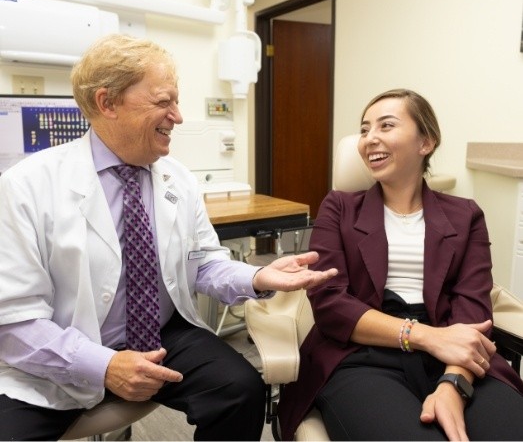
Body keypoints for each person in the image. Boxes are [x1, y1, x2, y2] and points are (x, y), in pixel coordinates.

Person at [0, 34, 338, 441]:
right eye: (163, 102)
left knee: (241, 390)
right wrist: (103, 365)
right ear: (107, 103)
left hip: (158, 334)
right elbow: (13, 323)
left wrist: (257, 278)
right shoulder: (24, 187)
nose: (177, 116)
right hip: (59, 351)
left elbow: (202, 263)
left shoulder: (175, 177)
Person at [277, 88, 523, 441]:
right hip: (362, 353)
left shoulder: (466, 215)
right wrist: (425, 337)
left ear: (426, 142)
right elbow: (331, 304)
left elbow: (472, 304)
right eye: (364, 130)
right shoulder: (339, 208)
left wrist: (454, 383)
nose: (369, 139)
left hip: (453, 352)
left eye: (385, 126)